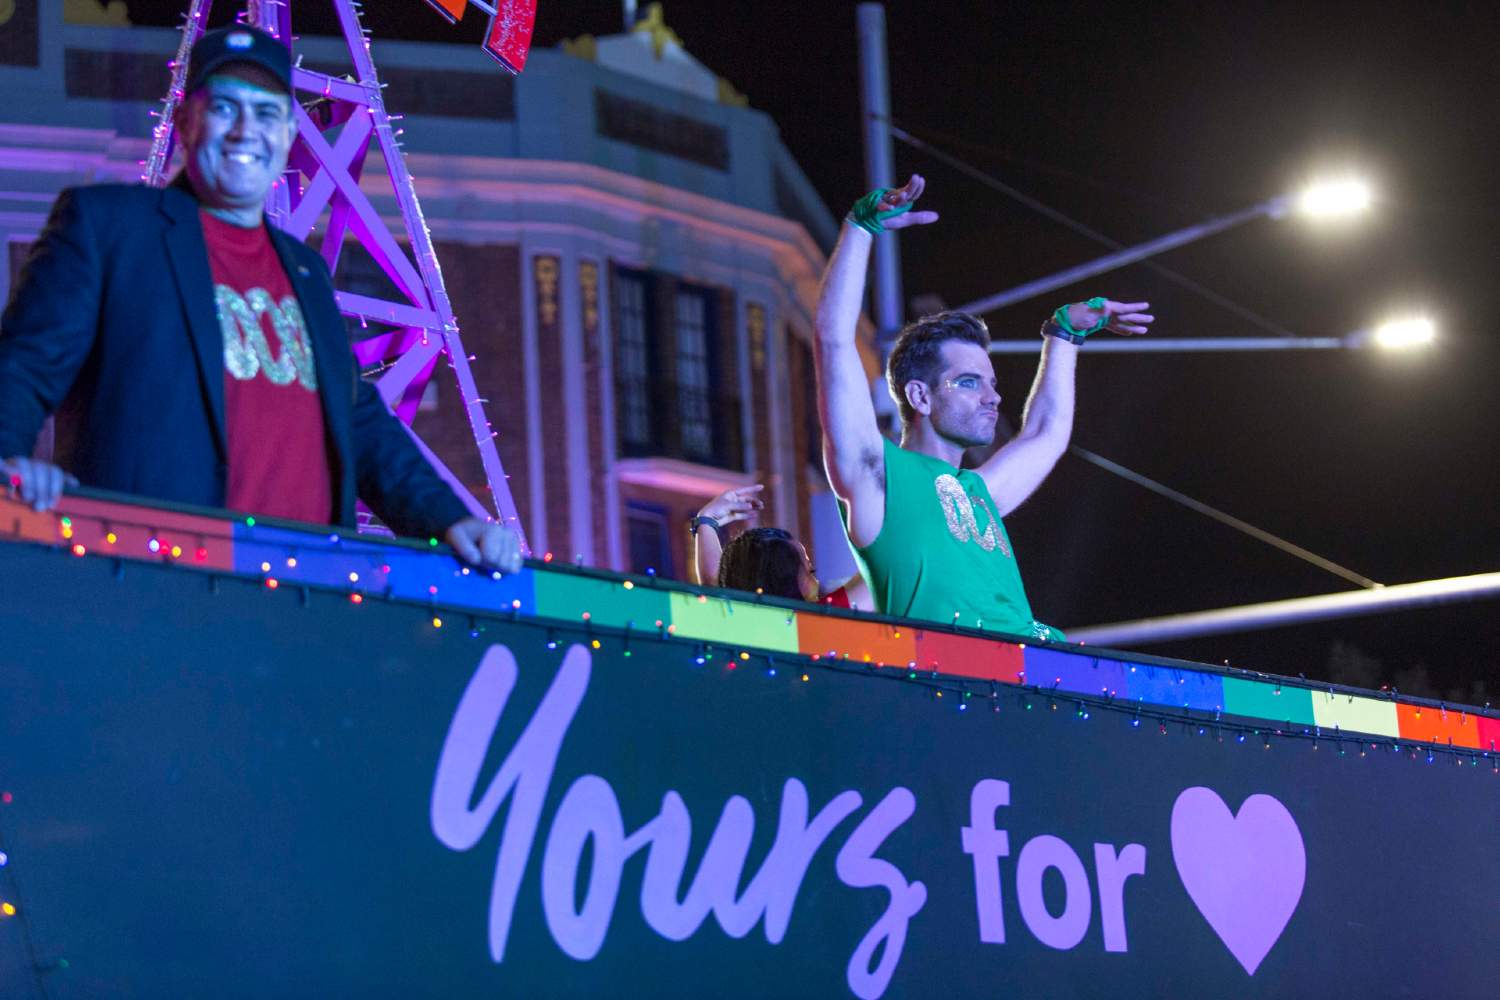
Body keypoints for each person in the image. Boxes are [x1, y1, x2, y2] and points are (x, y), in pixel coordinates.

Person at [0, 26, 520, 572]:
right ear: (184, 122)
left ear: (289, 133)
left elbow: (359, 420)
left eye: (267, 113)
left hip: (307, 590)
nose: (246, 130)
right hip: (152, 580)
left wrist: (447, 519)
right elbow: (24, 365)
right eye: (225, 107)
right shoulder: (112, 228)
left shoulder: (307, 272)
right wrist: (7, 465)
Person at [814, 175, 1154, 638]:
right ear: (920, 396)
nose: (993, 397)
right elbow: (834, 343)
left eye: (991, 383)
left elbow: (1044, 435)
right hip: (957, 688)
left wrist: (1064, 335)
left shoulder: (980, 494)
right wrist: (861, 228)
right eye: (969, 382)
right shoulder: (875, 477)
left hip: (1034, 678)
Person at [689, 483, 870, 608]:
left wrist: (706, 521)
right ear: (785, 581)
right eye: (810, 571)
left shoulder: (741, 622)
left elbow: (714, 580)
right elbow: (882, 578)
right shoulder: (813, 624)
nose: (817, 580)